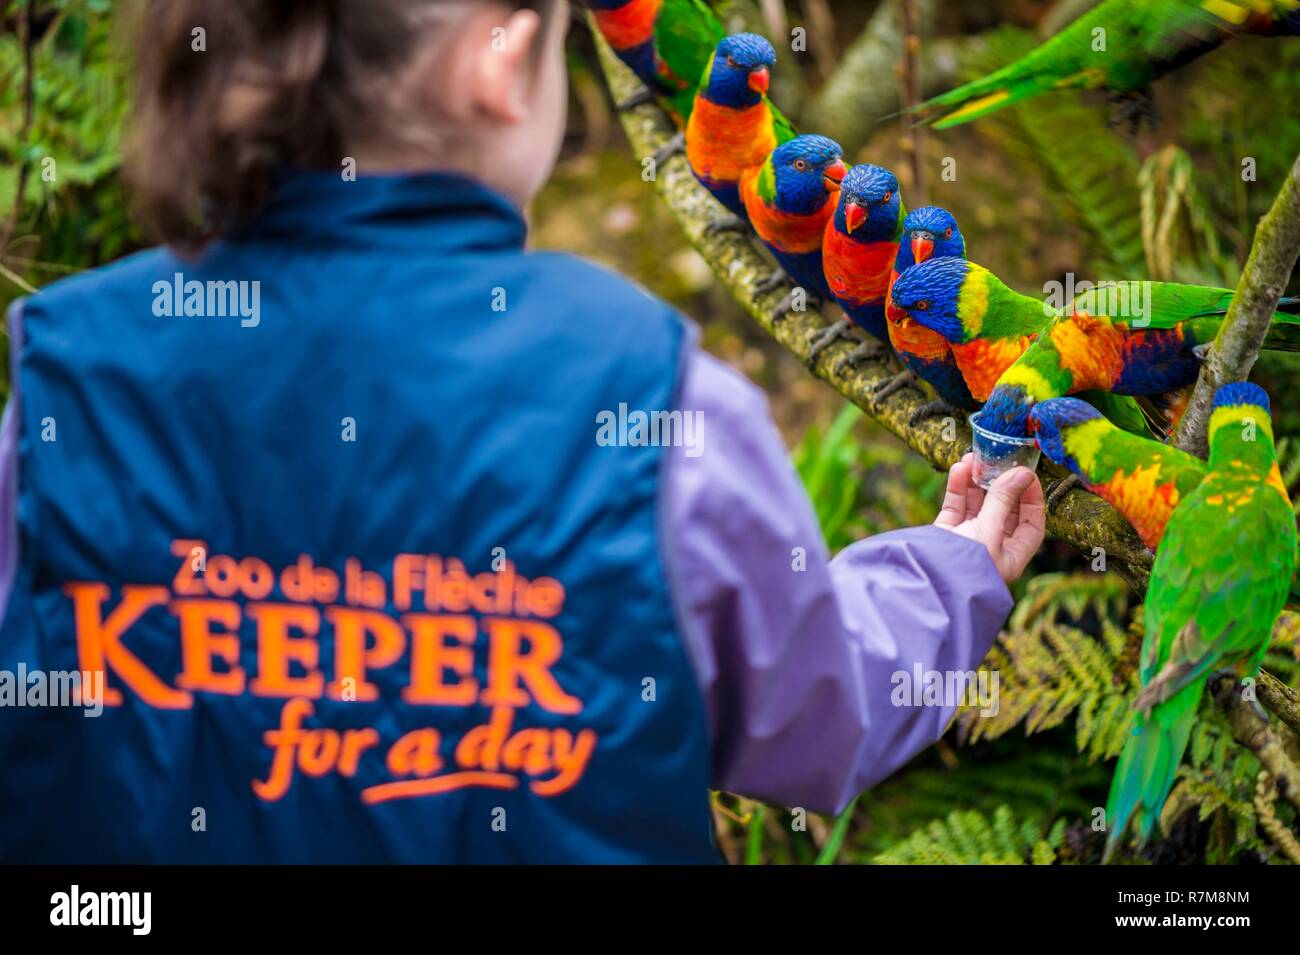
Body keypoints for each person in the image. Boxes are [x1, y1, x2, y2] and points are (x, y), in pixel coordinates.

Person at [0, 0, 1044, 862]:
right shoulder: (650, 395)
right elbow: (815, 709)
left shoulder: (66, 382)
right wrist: (952, 573)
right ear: (502, 56)